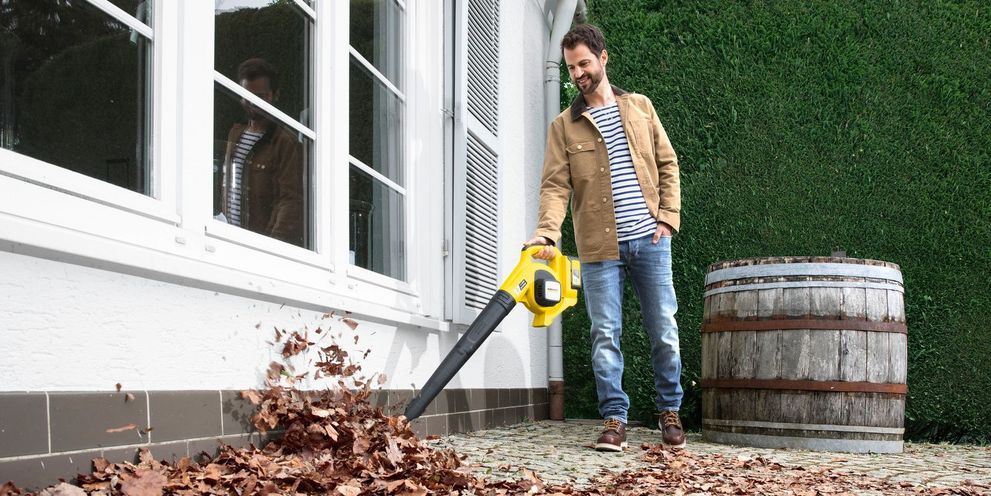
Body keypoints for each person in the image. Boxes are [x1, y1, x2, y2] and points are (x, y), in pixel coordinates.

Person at [525, 24, 685, 451]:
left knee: (663, 329)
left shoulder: (641, 107)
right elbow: (555, 186)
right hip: (599, 246)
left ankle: (669, 411)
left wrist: (667, 218)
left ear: (603, 59)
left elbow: (668, 165)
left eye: (584, 63)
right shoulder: (564, 126)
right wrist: (547, 233)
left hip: (650, 241)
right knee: (605, 335)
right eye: (571, 67)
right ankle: (615, 418)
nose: (578, 73)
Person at [221, 58, 304, 247]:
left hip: (258, 247)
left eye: (260, 96)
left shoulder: (285, 142)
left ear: (275, 95)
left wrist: (271, 247)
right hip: (228, 240)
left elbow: (290, 201)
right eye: (246, 96)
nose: (252, 103)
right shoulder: (235, 133)